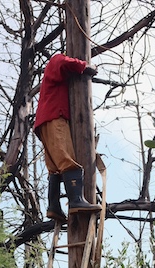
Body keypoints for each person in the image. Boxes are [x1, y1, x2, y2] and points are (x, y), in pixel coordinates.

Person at [34, 53, 102, 222]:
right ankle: (76, 201)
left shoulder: (51, 82)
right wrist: (84, 66)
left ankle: (54, 207)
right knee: (66, 159)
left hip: (44, 121)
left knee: (55, 167)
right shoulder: (56, 61)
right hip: (55, 116)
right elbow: (61, 61)